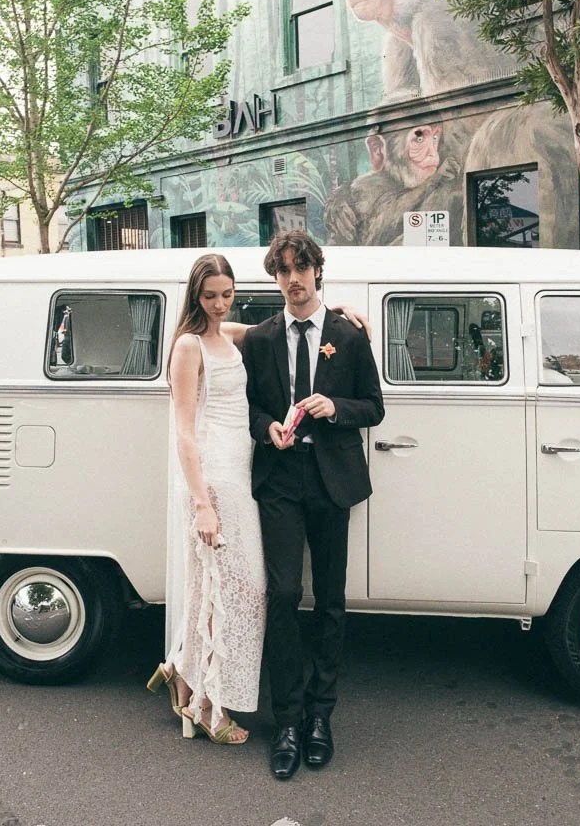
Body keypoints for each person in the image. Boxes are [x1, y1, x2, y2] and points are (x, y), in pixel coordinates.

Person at [147, 252, 370, 747]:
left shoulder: (231, 333)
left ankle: (185, 673)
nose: (221, 304)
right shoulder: (189, 345)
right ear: (195, 296)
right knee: (248, 591)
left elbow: (290, 324)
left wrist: (344, 313)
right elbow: (185, 431)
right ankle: (211, 701)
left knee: (235, 591)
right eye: (210, 296)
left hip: (252, 476)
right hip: (224, 478)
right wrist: (202, 501)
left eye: (227, 295)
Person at [242, 231, 384, 779]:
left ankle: (320, 719)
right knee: (281, 594)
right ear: (275, 277)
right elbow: (249, 409)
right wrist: (267, 428)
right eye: (283, 270)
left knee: (330, 600)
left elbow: (374, 407)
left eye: (302, 268)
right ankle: (286, 720)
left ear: (317, 271)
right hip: (279, 478)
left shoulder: (348, 336)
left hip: (331, 480)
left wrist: (335, 406)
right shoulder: (260, 338)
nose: (294, 279)